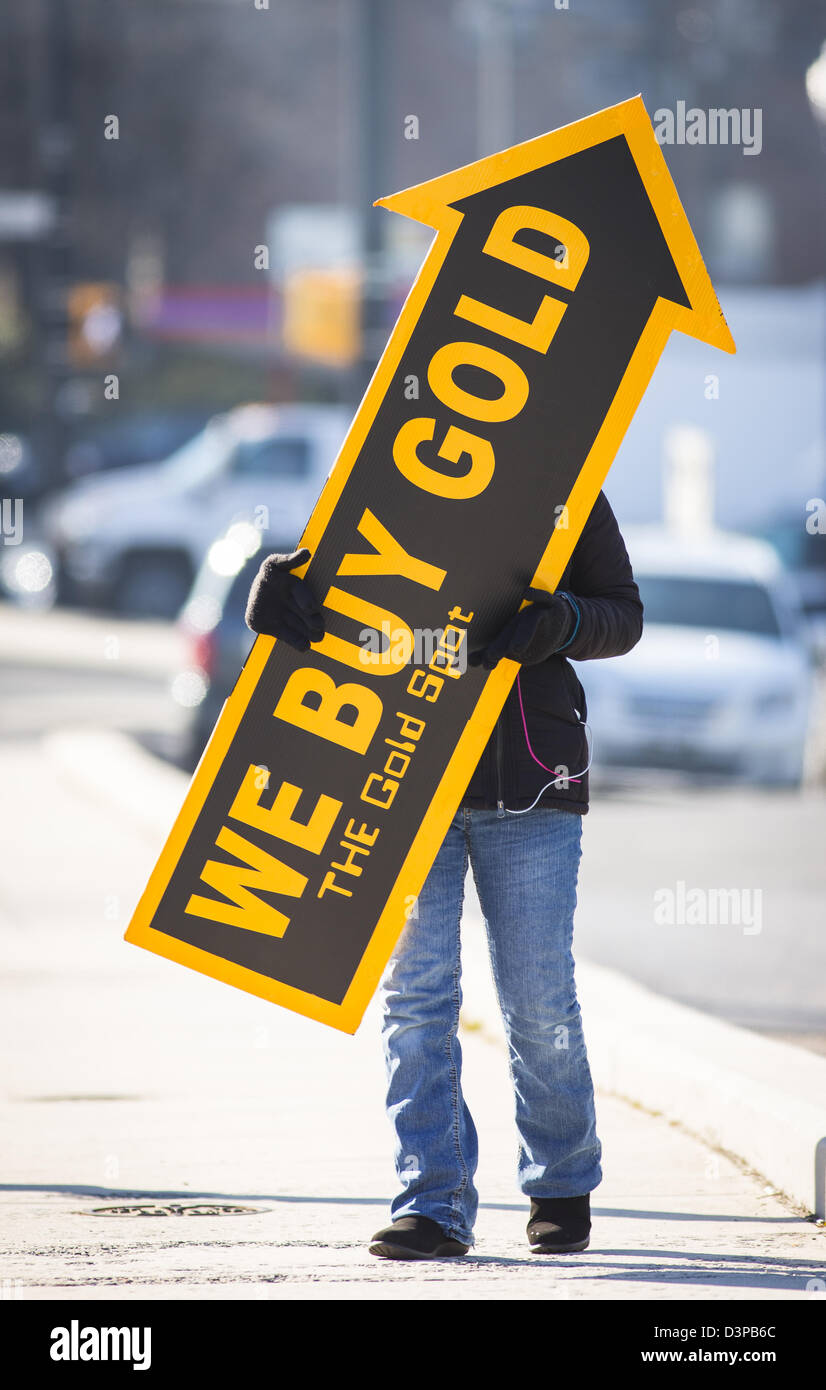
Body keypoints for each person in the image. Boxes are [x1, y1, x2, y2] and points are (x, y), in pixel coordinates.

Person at [244, 489, 643, 1259]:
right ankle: (431, 1200)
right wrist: (271, 592)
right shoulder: (383, 469)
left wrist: (561, 619)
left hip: (530, 781)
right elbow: (315, 593)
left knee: (536, 993)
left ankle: (561, 1184)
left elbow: (622, 615)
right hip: (397, 785)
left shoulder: (569, 477)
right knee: (415, 994)